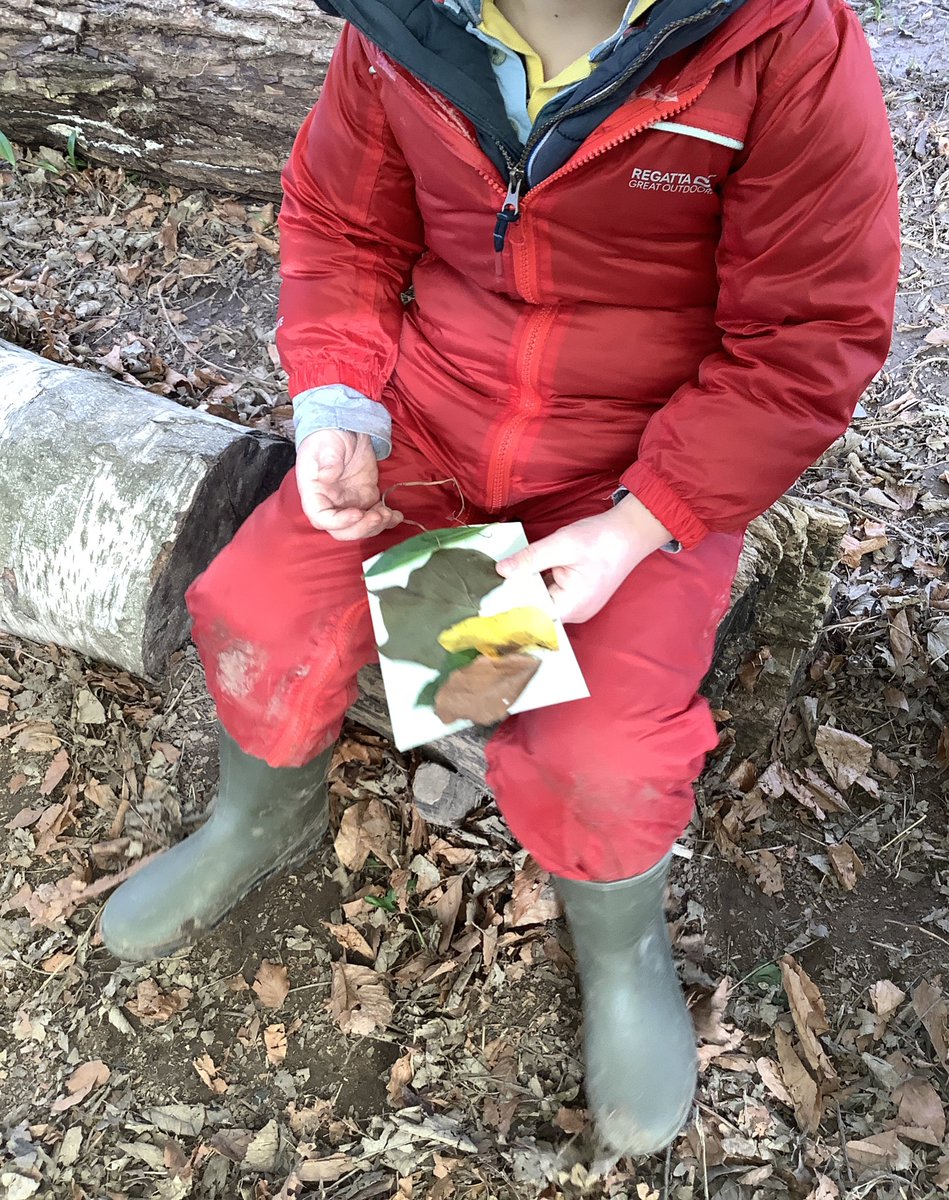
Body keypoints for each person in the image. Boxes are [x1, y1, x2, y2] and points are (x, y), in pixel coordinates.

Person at [100, 0, 899, 1155]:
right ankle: (256, 822)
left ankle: (618, 948)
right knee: (260, 610)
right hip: (428, 426)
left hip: (635, 469)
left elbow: (807, 337)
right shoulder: (399, 22)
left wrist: (639, 525)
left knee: (598, 753)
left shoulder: (782, 44)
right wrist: (339, 404)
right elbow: (342, 223)